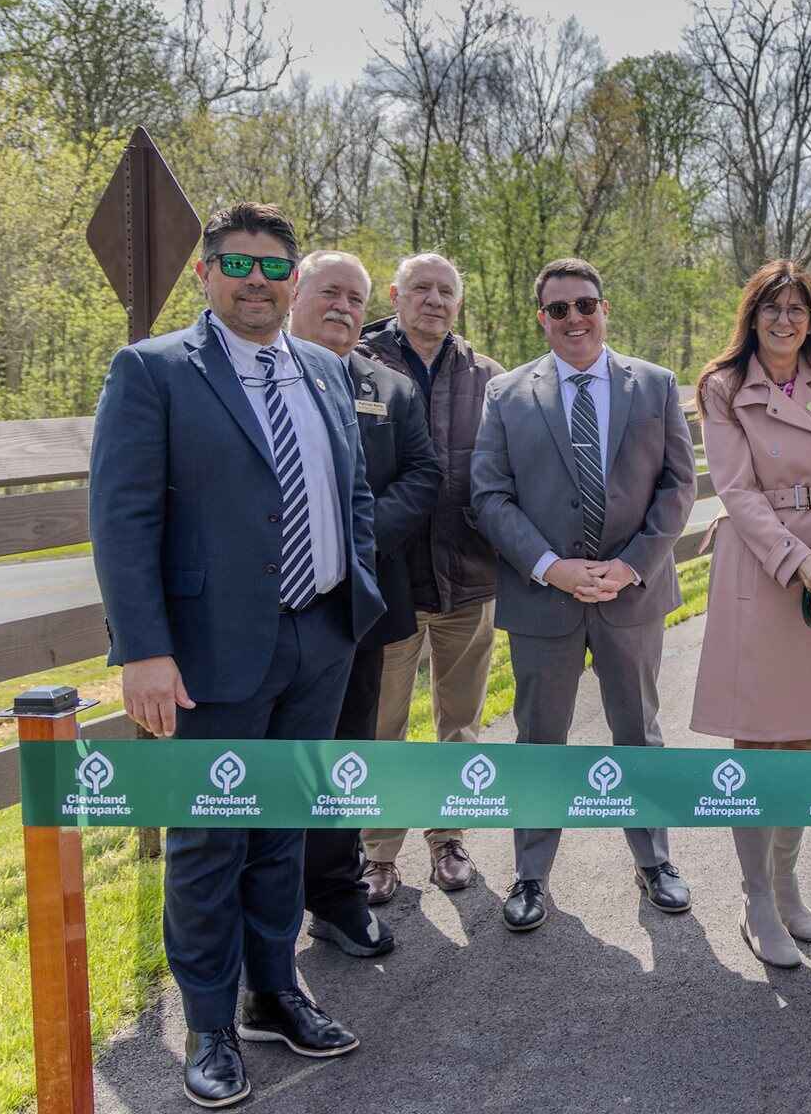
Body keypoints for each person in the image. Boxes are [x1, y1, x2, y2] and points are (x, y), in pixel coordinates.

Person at [90, 203, 386, 1108]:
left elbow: (354, 493)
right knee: (210, 839)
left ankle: (274, 992)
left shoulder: (329, 373)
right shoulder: (153, 371)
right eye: (237, 264)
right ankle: (209, 1024)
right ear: (205, 274)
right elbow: (122, 515)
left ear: (294, 279)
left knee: (281, 832)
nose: (256, 281)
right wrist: (144, 651)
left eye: (272, 267)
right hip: (210, 652)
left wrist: (353, 593)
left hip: (318, 637)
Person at [473, 257, 697, 934]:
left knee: (638, 732)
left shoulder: (654, 386)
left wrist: (630, 567)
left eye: (585, 304)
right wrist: (549, 566)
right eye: (559, 308)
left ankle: (654, 860)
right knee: (541, 741)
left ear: (605, 309)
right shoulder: (508, 396)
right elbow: (489, 495)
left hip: (631, 596)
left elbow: (677, 487)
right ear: (541, 318)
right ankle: (531, 874)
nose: (574, 318)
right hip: (544, 599)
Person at [692, 260, 811, 969]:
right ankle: (754, 898)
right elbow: (736, 492)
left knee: (805, 736)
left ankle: (786, 881)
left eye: (797, 308)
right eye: (772, 307)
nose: (784, 320)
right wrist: (795, 561)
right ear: (752, 315)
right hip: (761, 567)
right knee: (757, 738)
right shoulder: (722, 388)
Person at [288, 252, 441, 959]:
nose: (343, 307)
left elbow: (423, 473)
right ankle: (262, 913)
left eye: (354, 297)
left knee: (346, 757)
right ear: (296, 296)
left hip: (359, 608)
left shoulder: (390, 389)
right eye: (329, 293)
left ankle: (337, 899)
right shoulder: (260, 379)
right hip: (266, 617)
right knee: (270, 765)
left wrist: (352, 533)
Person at [354, 253, 503, 901]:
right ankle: (379, 852)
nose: (434, 300)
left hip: (467, 580)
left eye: (446, 291)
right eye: (421, 289)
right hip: (388, 583)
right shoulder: (358, 366)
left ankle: (449, 838)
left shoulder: (487, 378)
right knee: (383, 723)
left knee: (459, 721)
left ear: (459, 303)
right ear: (395, 294)